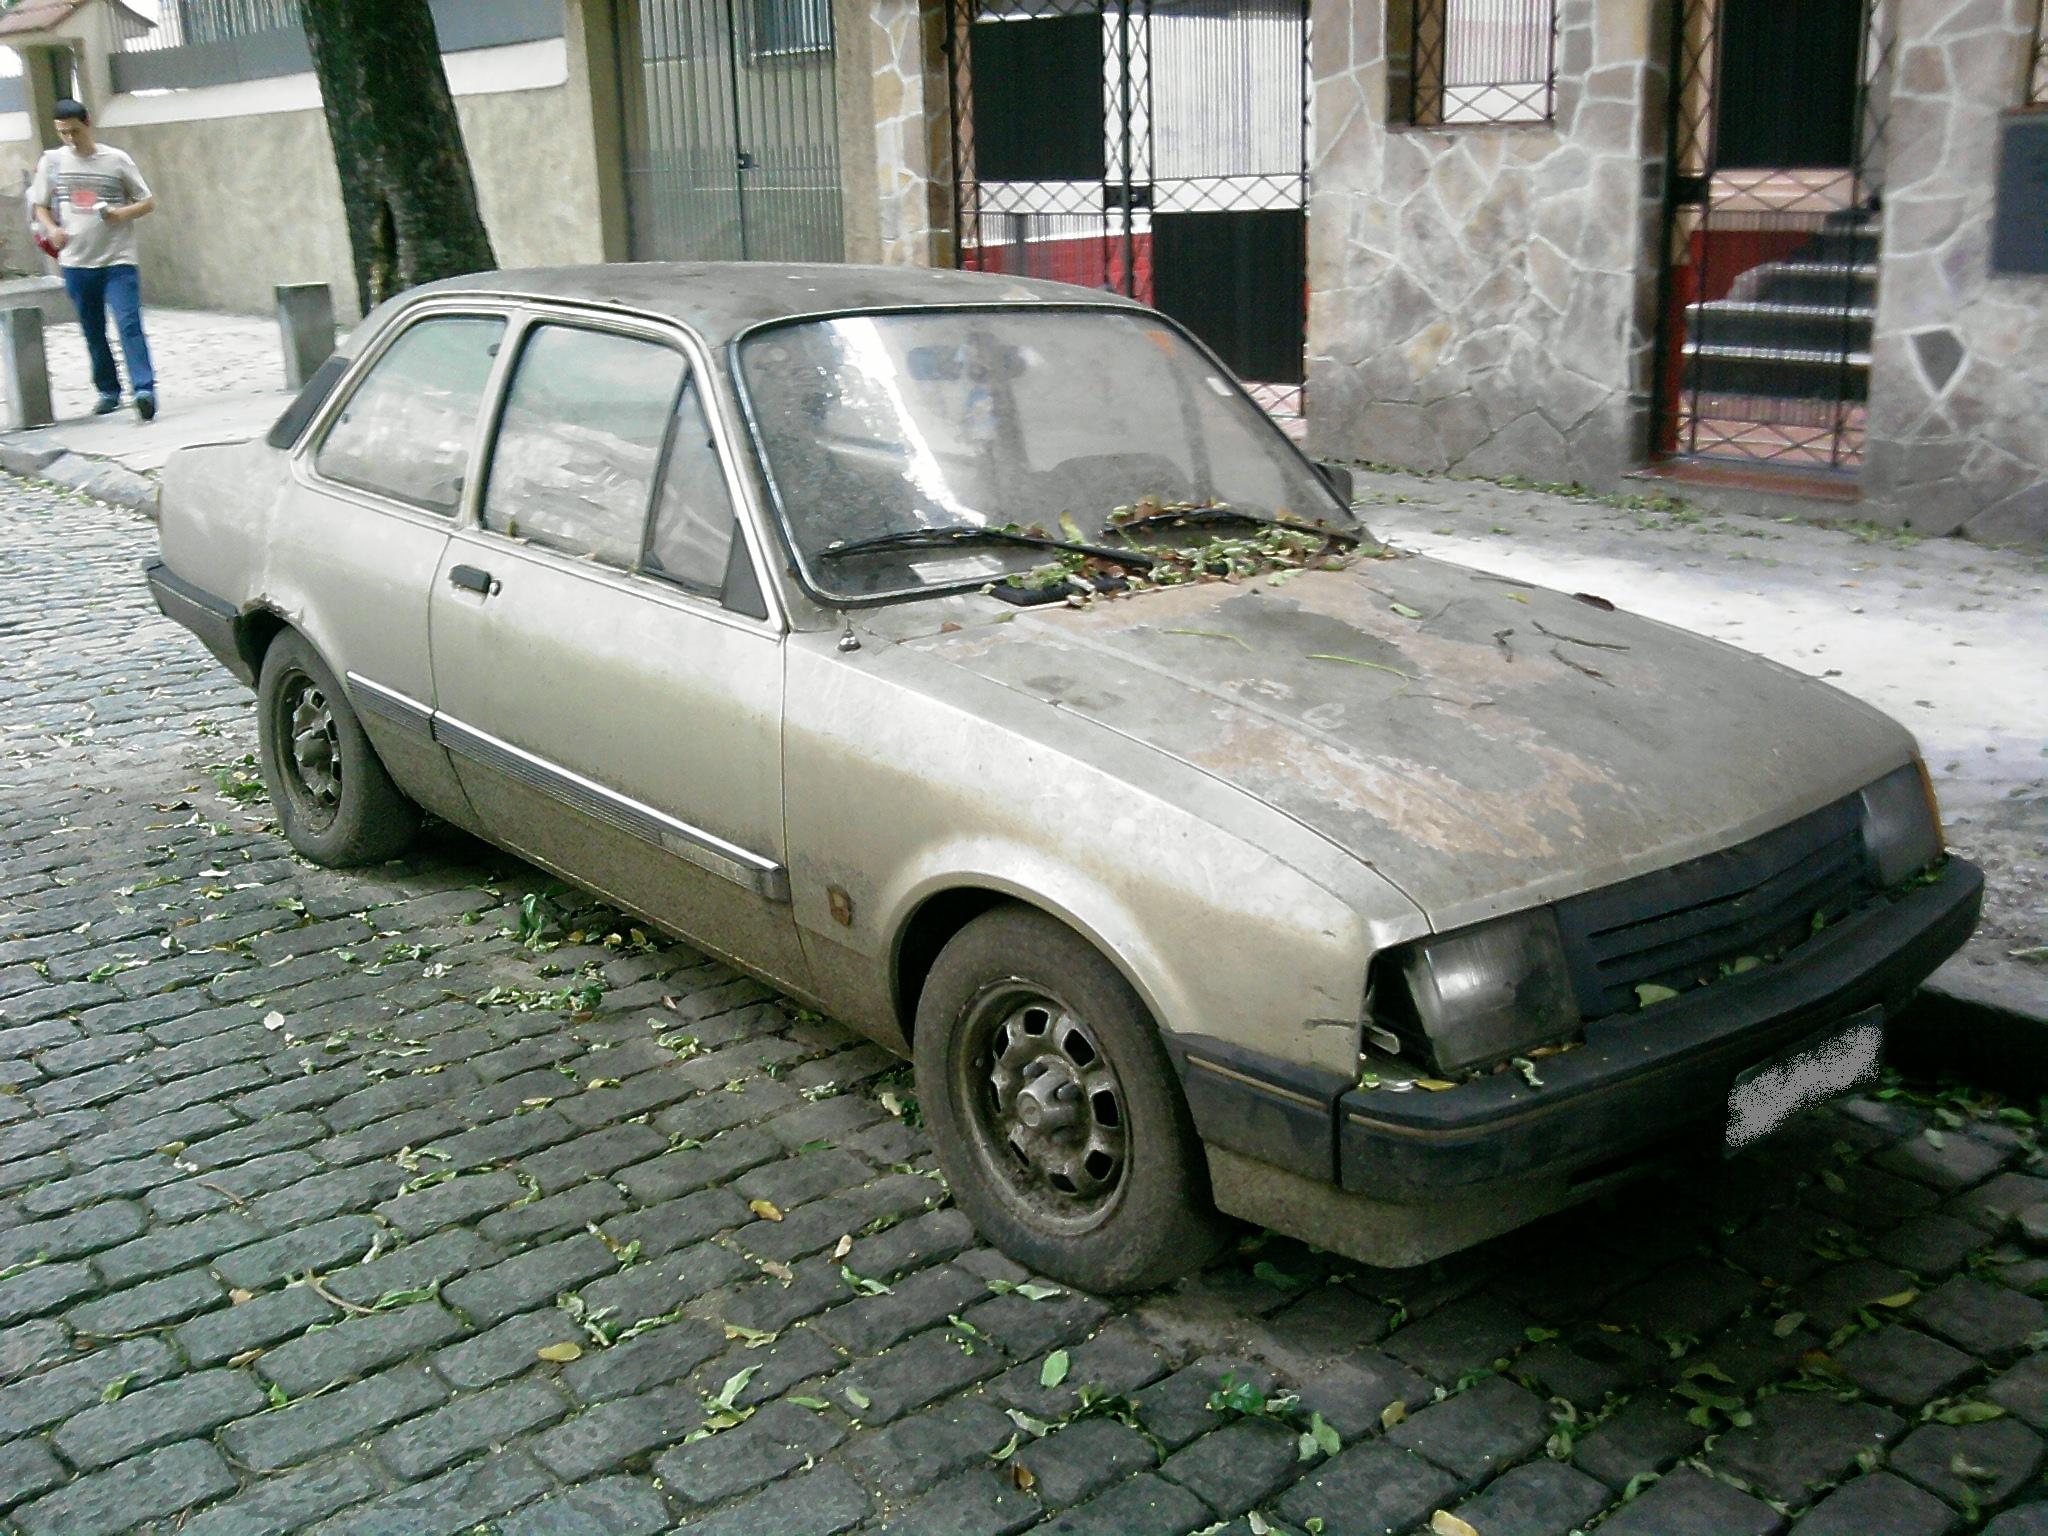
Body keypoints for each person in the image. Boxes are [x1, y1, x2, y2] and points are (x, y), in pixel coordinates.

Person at [28, 99, 158, 421]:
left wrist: (119, 214)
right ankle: (108, 390)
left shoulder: (115, 160)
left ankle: (144, 390)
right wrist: (52, 228)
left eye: (74, 131)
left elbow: (147, 201)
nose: (70, 139)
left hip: (118, 258)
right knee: (92, 328)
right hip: (76, 261)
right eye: (63, 133)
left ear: (87, 123)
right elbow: (40, 205)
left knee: (129, 323)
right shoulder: (53, 163)